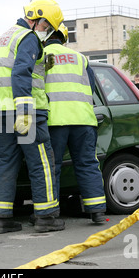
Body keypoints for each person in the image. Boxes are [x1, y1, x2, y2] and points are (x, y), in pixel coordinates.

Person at [0, 0, 64, 233]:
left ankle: (2, 219)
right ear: (37, 20)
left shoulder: (4, 36)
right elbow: (21, 73)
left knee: (6, 162)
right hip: (26, 111)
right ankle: (45, 217)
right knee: (41, 162)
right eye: (47, 27)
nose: (46, 32)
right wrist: (24, 110)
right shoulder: (28, 37)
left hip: (0, 110)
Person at [44, 22, 107, 223]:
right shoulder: (80, 58)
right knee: (87, 163)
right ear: (64, 38)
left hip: (55, 120)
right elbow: (91, 88)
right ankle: (96, 210)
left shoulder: (41, 56)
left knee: (51, 167)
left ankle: (50, 212)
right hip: (83, 119)